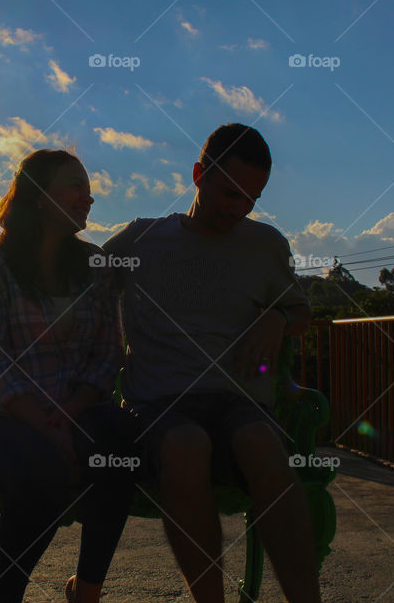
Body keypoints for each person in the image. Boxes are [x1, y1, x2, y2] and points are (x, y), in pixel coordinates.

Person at [102, 123, 320, 603]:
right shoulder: (141, 240)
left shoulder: (265, 245)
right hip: (160, 402)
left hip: (239, 398)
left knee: (262, 443)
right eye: (228, 192)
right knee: (185, 445)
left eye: (251, 199)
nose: (237, 207)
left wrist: (280, 318)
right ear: (199, 174)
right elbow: (79, 288)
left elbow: (302, 311)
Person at [0, 148, 139, 603]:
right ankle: (9, 597)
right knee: (40, 468)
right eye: (76, 186)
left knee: (120, 439)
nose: (88, 199)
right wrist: (44, 424)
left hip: (80, 415)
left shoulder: (95, 267)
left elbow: (107, 354)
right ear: (39, 195)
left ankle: (87, 591)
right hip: (5, 421)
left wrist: (71, 413)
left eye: (90, 190)